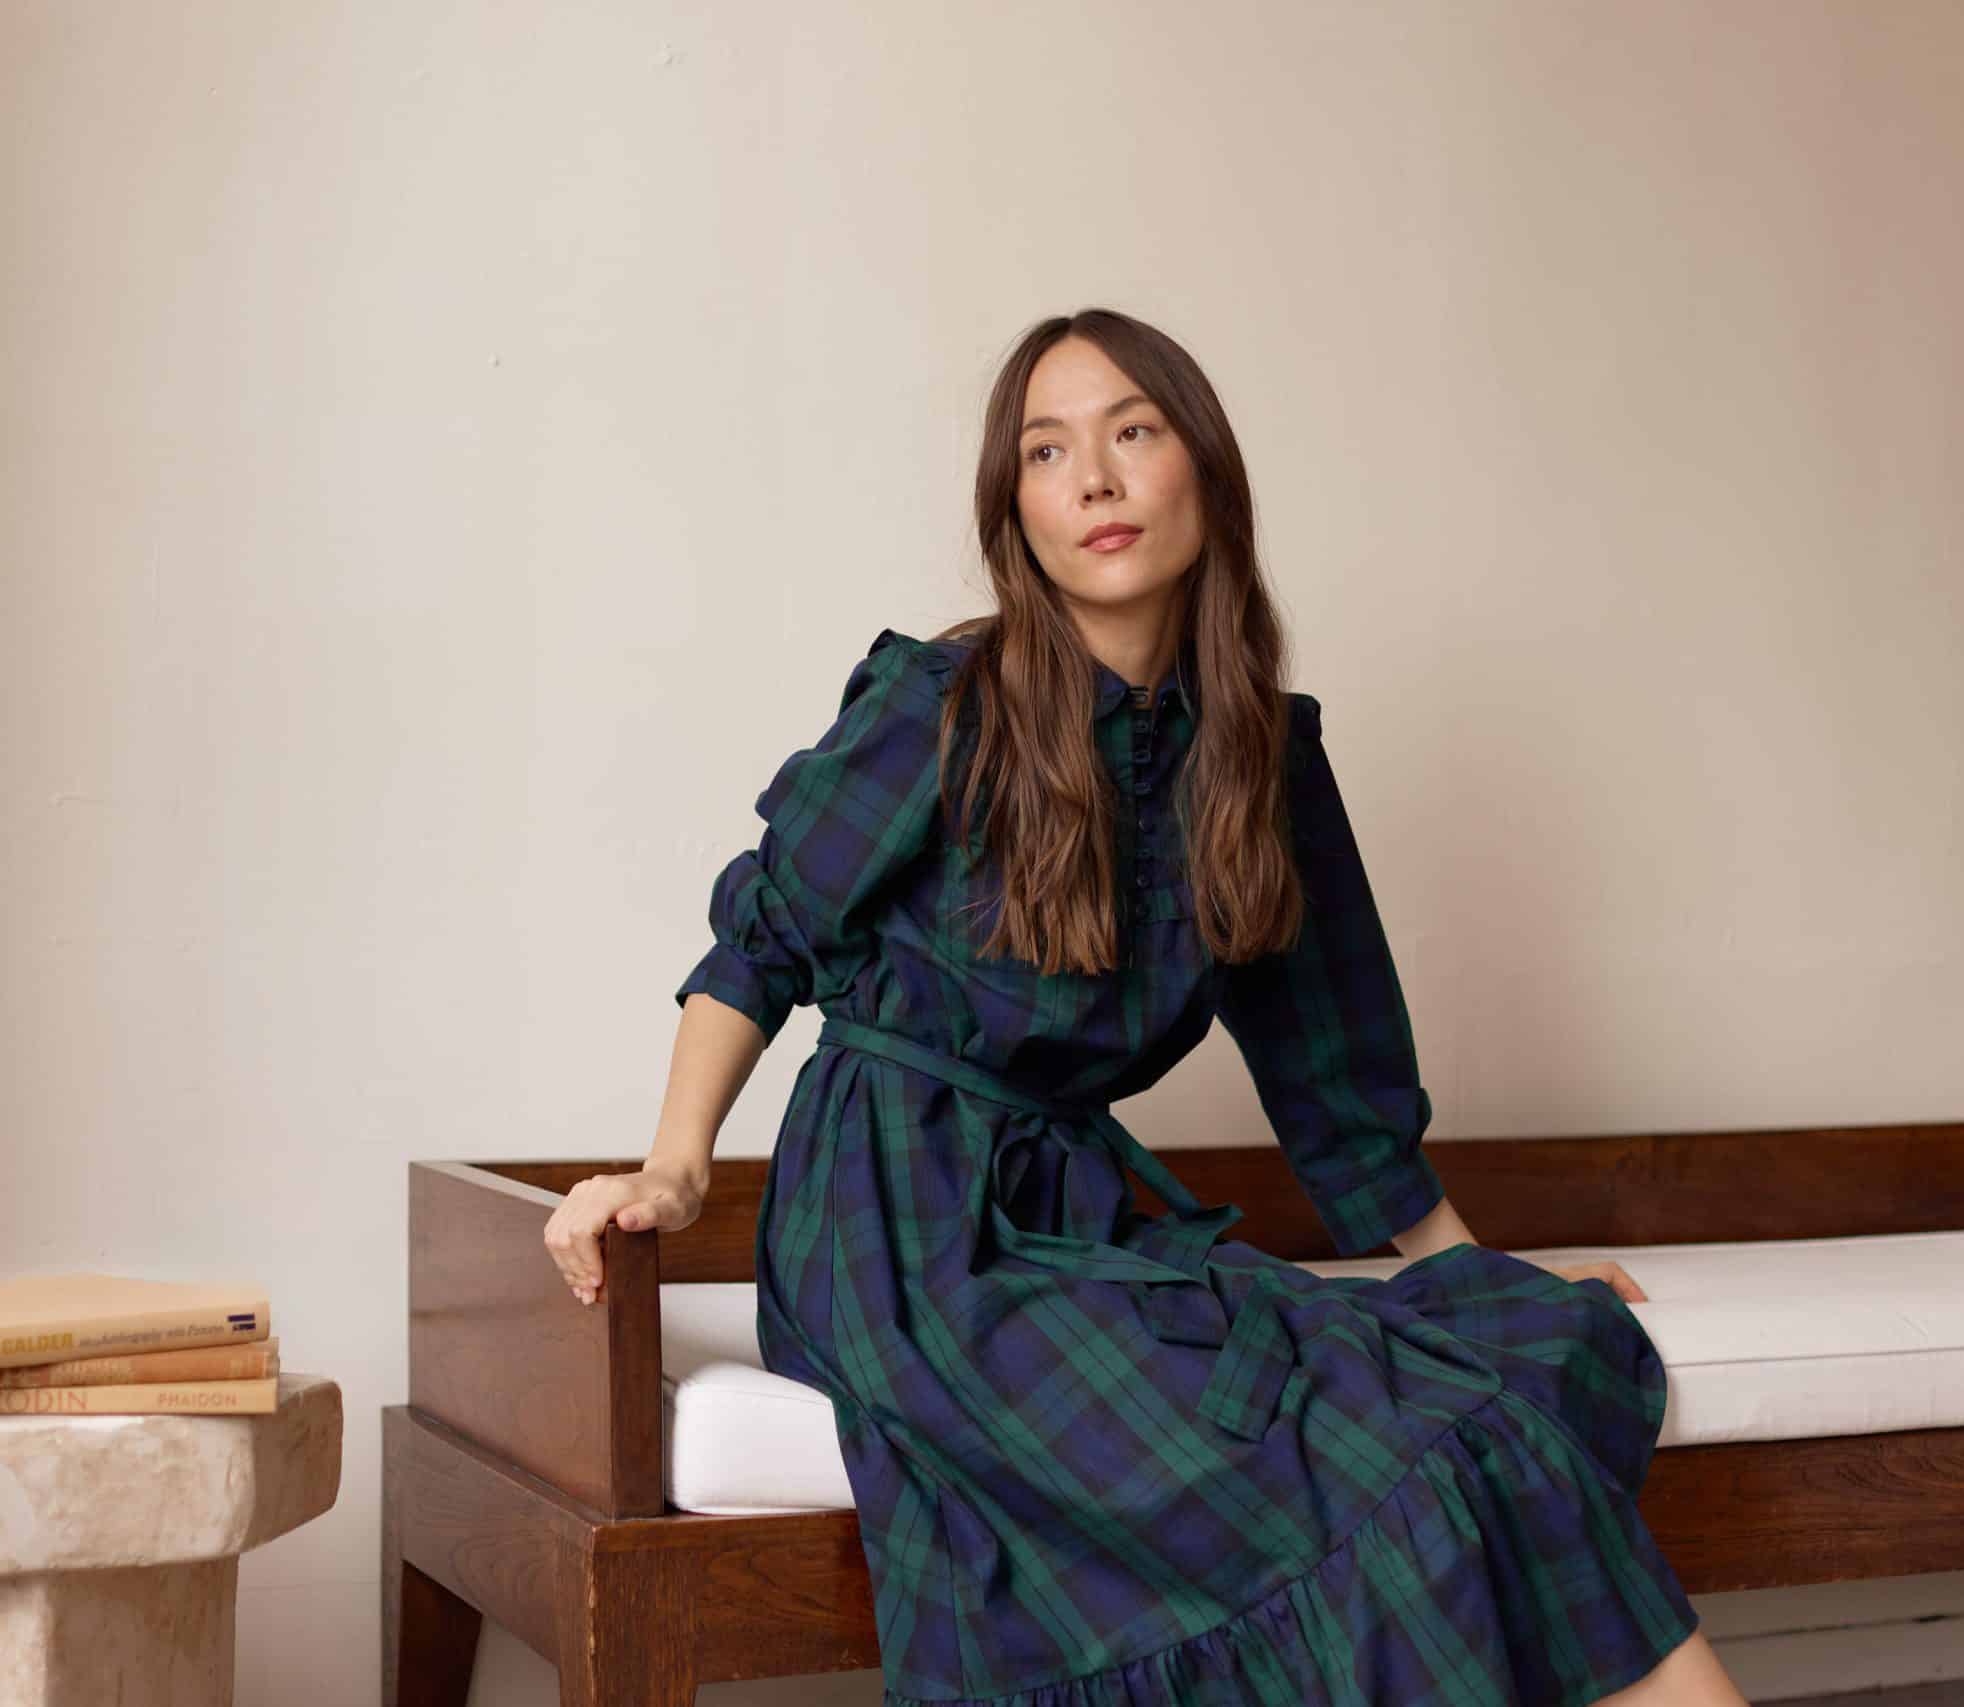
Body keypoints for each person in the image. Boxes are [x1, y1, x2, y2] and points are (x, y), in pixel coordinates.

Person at [545, 308, 1752, 1706]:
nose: (1097, 480)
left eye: (1133, 431)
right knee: (1355, 1444)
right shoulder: (942, 705)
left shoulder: (1260, 759)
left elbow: (1328, 1056)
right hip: (895, 1232)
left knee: (1485, 1400)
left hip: (1080, 1219)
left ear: (1205, 470)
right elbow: (766, 936)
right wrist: (677, 1169)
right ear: (1017, 510)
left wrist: (1462, 1268)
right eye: (1048, 452)